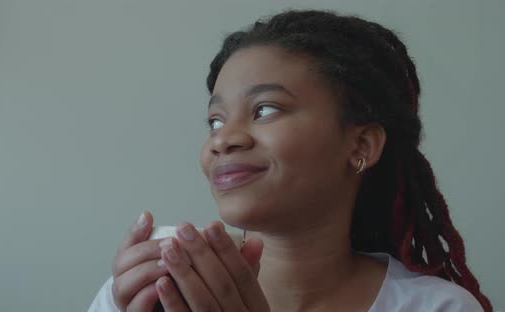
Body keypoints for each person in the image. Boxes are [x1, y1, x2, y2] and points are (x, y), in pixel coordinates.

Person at [88, 9, 493, 311]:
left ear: (361, 146)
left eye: (265, 110)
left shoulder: (437, 307)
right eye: (215, 120)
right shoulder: (146, 293)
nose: (223, 139)